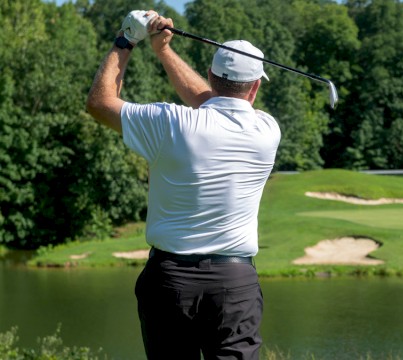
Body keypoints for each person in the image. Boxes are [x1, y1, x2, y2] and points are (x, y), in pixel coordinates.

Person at [86, 10, 281, 360]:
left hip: (170, 281)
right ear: (255, 86)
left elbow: (100, 103)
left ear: (210, 74)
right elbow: (215, 104)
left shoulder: (170, 123)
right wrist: (165, 52)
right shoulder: (267, 130)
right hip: (236, 284)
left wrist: (128, 39)